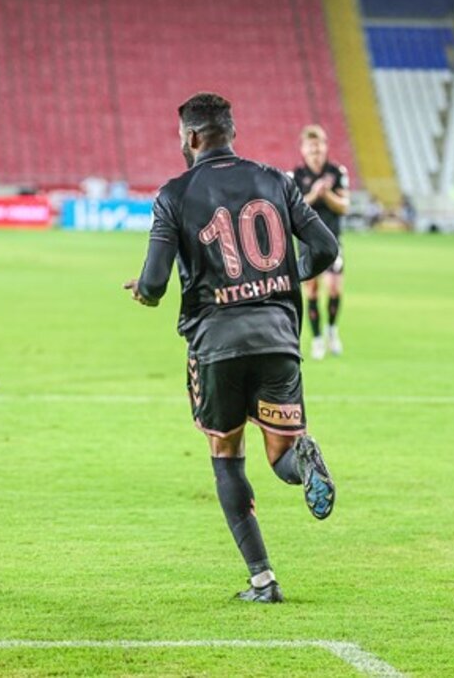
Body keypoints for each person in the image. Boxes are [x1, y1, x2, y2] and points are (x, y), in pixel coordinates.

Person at [124, 93, 339, 602]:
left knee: (226, 453)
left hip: (216, 342)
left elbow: (154, 283)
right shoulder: (276, 180)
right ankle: (304, 460)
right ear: (232, 132)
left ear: (193, 137)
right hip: (277, 336)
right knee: (281, 452)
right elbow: (326, 248)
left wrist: (143, 292)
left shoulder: (174, 194)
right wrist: (287, 277)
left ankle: (263, 579)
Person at [289, 125, 350, 360]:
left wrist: (328, 195)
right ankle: (316, 339)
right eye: (311, 147)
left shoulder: (337, 172)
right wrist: (315, 194)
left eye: (319, 146)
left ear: (325, 147)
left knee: (334, 287)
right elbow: (292, 209)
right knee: (312, 289)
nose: (315, 151)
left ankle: (332, 331)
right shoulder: (295, 176)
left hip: (332, 240)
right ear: (303, 149)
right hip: (307, 242)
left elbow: (344, 206)